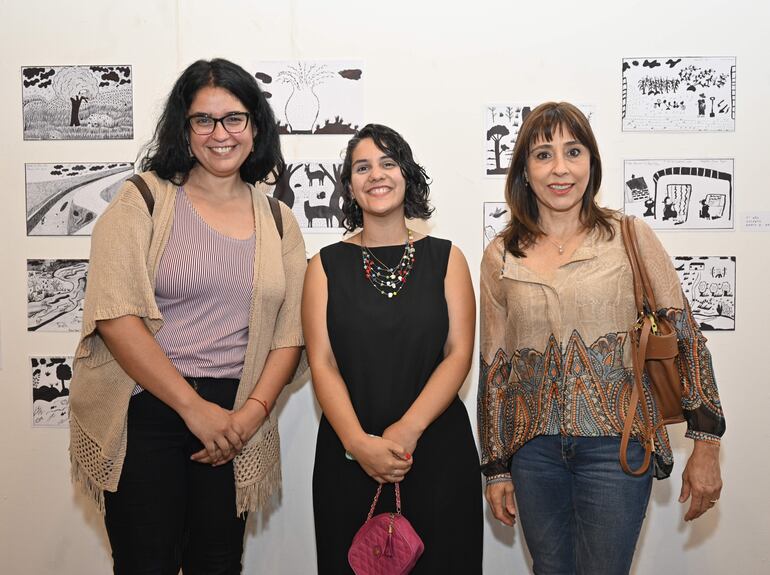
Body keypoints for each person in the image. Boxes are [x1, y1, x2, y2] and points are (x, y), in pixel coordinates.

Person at [68, 58, 307, 574]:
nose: (220, 134)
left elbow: (289, 335)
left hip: (236, 417)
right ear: (184, 127)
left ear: (256, 127)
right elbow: (116, 315)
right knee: (145, 563)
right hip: (146, 410)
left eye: (234, 118)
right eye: (204, 120)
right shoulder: (141, 199)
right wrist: (192, 408)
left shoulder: (279, 220)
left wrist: (250, 415)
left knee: (218, 564)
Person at [478, 102, 725, 574]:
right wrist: (496, 467)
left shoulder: (628, 236)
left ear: (591, 162)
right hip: (534, 455)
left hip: (617, 447)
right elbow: (494, 364)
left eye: (573, 152)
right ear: (524, 171)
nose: (560, 168)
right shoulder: (501, 254)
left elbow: (687, 338)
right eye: (543, 155)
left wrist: (707, 444)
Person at [303, 124, 483, 573]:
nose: (376, 175)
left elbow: (459, 353)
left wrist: (407, 429)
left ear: (407, 175)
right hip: (350, 457)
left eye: (388, 163)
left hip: (436, 453)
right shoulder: (324, 266)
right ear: (349, 185)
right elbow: (321, 362)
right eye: (362, 167)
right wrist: (356, 443)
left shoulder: (448, 258)